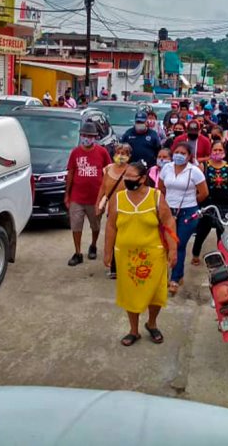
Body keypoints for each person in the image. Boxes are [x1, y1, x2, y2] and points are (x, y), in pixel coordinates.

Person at [103, 161, 178, 346]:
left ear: (143, 178)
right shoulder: (118, 198)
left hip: (153, 254)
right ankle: (133, 330)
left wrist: (173, 250)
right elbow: (111, 226)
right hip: (126, 256)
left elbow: (169, 223)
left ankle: (152, 324)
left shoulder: (155, 197)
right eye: (125, 177)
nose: (127, 180)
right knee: (130, 293)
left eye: (131, 177)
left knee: (155, 293)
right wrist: (107, 252)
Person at [159, 142, 208, 295]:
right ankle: (177, 274)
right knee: (167, 243)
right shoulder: (166, 168)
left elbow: (204, 193)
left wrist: (191, 203)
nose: (179, 155)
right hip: (169, 210)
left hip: (188, 211)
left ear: (189, 156)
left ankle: (174, 278)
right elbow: (161, 187)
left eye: (183, 153)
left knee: (178, 243)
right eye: (177, 152)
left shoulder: (194, 171)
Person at [65, 120, 112, 266]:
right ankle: (78, 252)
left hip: (96, 198)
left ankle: (93, 245)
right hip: (77, 197)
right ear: (81, 136)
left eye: (90, 136)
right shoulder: (75, 153)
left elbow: (108, 172)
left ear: (95, 137)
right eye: (84, 135)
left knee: (95, 226)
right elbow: (71, 173)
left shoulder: (102, 152)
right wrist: (67, 194)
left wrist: (106, 195)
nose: (87, 138)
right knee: (76, 225)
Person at [190, 141, 228, 265]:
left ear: (224, 152)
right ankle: (195, 254)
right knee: (202, 230)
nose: (217, 152)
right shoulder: (203, 166)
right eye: (215, 150)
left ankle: (222, 255)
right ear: (211, 151)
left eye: (220, 150)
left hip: (224, 204)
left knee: (222, 231)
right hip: (207, 203)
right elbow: (197, 185)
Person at [96, 144, 133, 278]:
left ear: (129, 156)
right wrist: (98, 204)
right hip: (112, 210)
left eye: (124, 153)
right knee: (112, 238)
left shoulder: (132, 171)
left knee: (126, 239)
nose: (121, 155)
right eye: (118, 152)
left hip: (128, 210)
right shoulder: (108, 169)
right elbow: (102, 188)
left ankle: (127, 265)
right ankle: (113, 267)